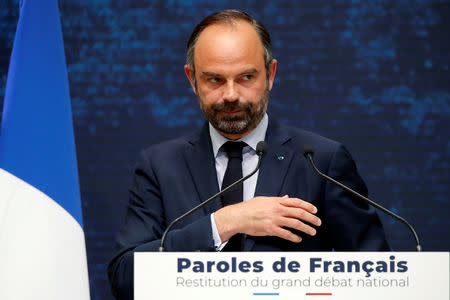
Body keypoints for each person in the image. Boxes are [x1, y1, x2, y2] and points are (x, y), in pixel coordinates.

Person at [108, 9, 390, 300]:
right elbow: (125, 279)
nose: (231, 95)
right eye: (215, 80)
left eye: (245, 77)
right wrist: (224, 222)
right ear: (192, 79)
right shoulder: (160, 165)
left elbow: (378, 278)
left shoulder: (321, 161)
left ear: (270, 74)